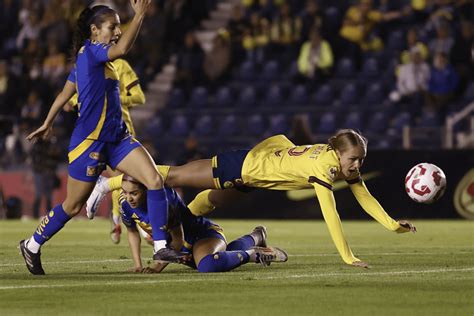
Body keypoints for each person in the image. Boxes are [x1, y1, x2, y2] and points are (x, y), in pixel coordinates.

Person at [89, 129, 417, 268]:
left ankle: (184, 231)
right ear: (336, 153)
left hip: (259, 171)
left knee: (213, 202)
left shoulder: (340, 163)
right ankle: (109, 184)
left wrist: (392, 225)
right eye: (353, 160)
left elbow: (364, 195)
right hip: (244, 167)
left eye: (360, 159)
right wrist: (348, 257)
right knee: (172, 175)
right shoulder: (326, 165)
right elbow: (330, 212)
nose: (357, 166)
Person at [19, 1, 170, 276]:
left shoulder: (87, 57)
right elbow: (122, 48)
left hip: (117, 139)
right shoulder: (93, 52)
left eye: (118, 26)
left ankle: (161, 245)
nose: (117, 31)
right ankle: (32, 244)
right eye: (112, 26)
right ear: (94, 30)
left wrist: (47, 121)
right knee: (73, 205)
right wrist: (141, 15)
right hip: (89, 142)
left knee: (154, 180)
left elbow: (66, 92)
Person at [118, 175, 288, 273]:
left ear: (147, 190)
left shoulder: (164, 202)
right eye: (125, 192)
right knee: (223, 256)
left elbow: (178, 239)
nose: (129, 197)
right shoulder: (125, 204)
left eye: (134, 193)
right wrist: (138, 265)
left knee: (208, 265)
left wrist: (157, 267)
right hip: (183, 249)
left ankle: (255, 254)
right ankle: (256, 236)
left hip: (203, 235)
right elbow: (132, 231)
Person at [66, 55, 146, 245]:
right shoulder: (89, 69)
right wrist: (71, 102)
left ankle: (119, 220)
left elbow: (140, 97)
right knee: (126, 181)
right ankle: (128, 222)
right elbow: (76, 98)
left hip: (121, 133)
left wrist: (114, 96)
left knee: (127, 180)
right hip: (96, 135)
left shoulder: (121, 65)